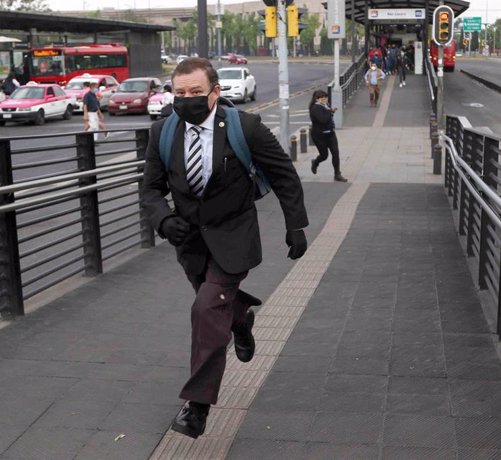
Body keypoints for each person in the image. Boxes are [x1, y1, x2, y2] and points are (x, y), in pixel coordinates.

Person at [141, 57, 308, 439]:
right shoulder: (162, 133)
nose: (187, 100)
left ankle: (197, 407)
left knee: (205, 309)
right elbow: (150, 188)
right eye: (179, 93)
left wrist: (295, 224)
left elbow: (284, 173)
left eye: (196, 93)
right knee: (215, 307)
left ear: (215, 93)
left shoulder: (244, 127)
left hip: (234, 236)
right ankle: (240, 317)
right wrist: (164, 221)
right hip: (191, 243)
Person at [309, 90, 347, 182]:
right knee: (324, 155)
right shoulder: (315, 108)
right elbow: (323, 120)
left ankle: (337, 174)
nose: (325, 99)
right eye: (323, 98)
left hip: (330, 134)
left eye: (326, 97)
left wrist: (331, 111)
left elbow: (328, 117)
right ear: (317, 99)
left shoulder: (326, 106)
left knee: (335, 153)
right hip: (319, 136)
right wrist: (330, 112)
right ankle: (315, 162)